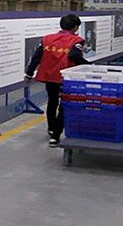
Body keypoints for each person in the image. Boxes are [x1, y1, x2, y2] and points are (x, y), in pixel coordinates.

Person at [25, 14, 89, 146]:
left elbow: (36, 57)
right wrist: (88, 66)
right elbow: (74, 55)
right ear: (75, 27)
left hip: (49, 76)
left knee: (52, 102)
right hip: (65, 77)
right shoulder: (76, 40)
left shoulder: (47, 39)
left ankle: (51, 128)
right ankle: (55, 136)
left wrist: (29, 73)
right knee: (64, 105)